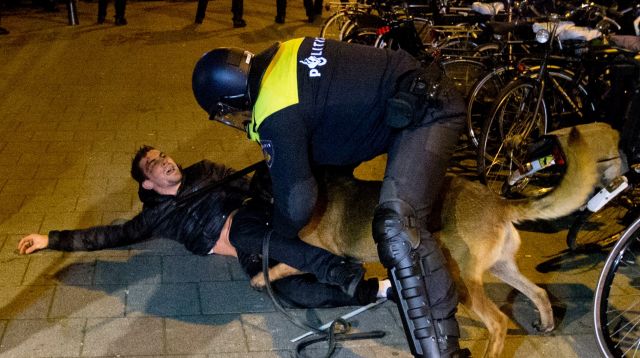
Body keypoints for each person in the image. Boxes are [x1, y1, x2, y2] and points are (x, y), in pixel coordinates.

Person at [191, 37, 468, 357]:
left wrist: (281, 236)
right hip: (408, 97)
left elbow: (298, 202)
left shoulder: (274, 110)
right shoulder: (282, 53)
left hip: (428, 112)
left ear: (231, 97)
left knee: (397, 228)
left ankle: (442, 350)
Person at [17, 145, 390, 308]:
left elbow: (251, 189)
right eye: (154, 165)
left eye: (163, 155)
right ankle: (378, 290)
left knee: (256, 202)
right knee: (290, 294)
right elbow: (111, 236)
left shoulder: (206, 171)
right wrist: (50, 239)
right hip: (248, 250)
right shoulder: (157, 216)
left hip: (251, 217)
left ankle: (335, 255)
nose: (165, 162)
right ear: (148, 184)